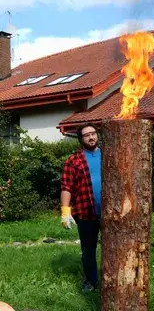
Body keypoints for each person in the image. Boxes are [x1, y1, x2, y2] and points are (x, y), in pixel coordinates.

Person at [60, 123, 101, 292]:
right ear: (80, 139)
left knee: (115, 246)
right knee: (88, 249)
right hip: (86, 212)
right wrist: (65, 211)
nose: (91, 137)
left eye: (93, 133)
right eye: (86, 135)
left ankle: (113, 279)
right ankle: (91, 281)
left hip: (112, 211)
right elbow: (66, 187)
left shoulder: (111, 154)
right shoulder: (73, 161)